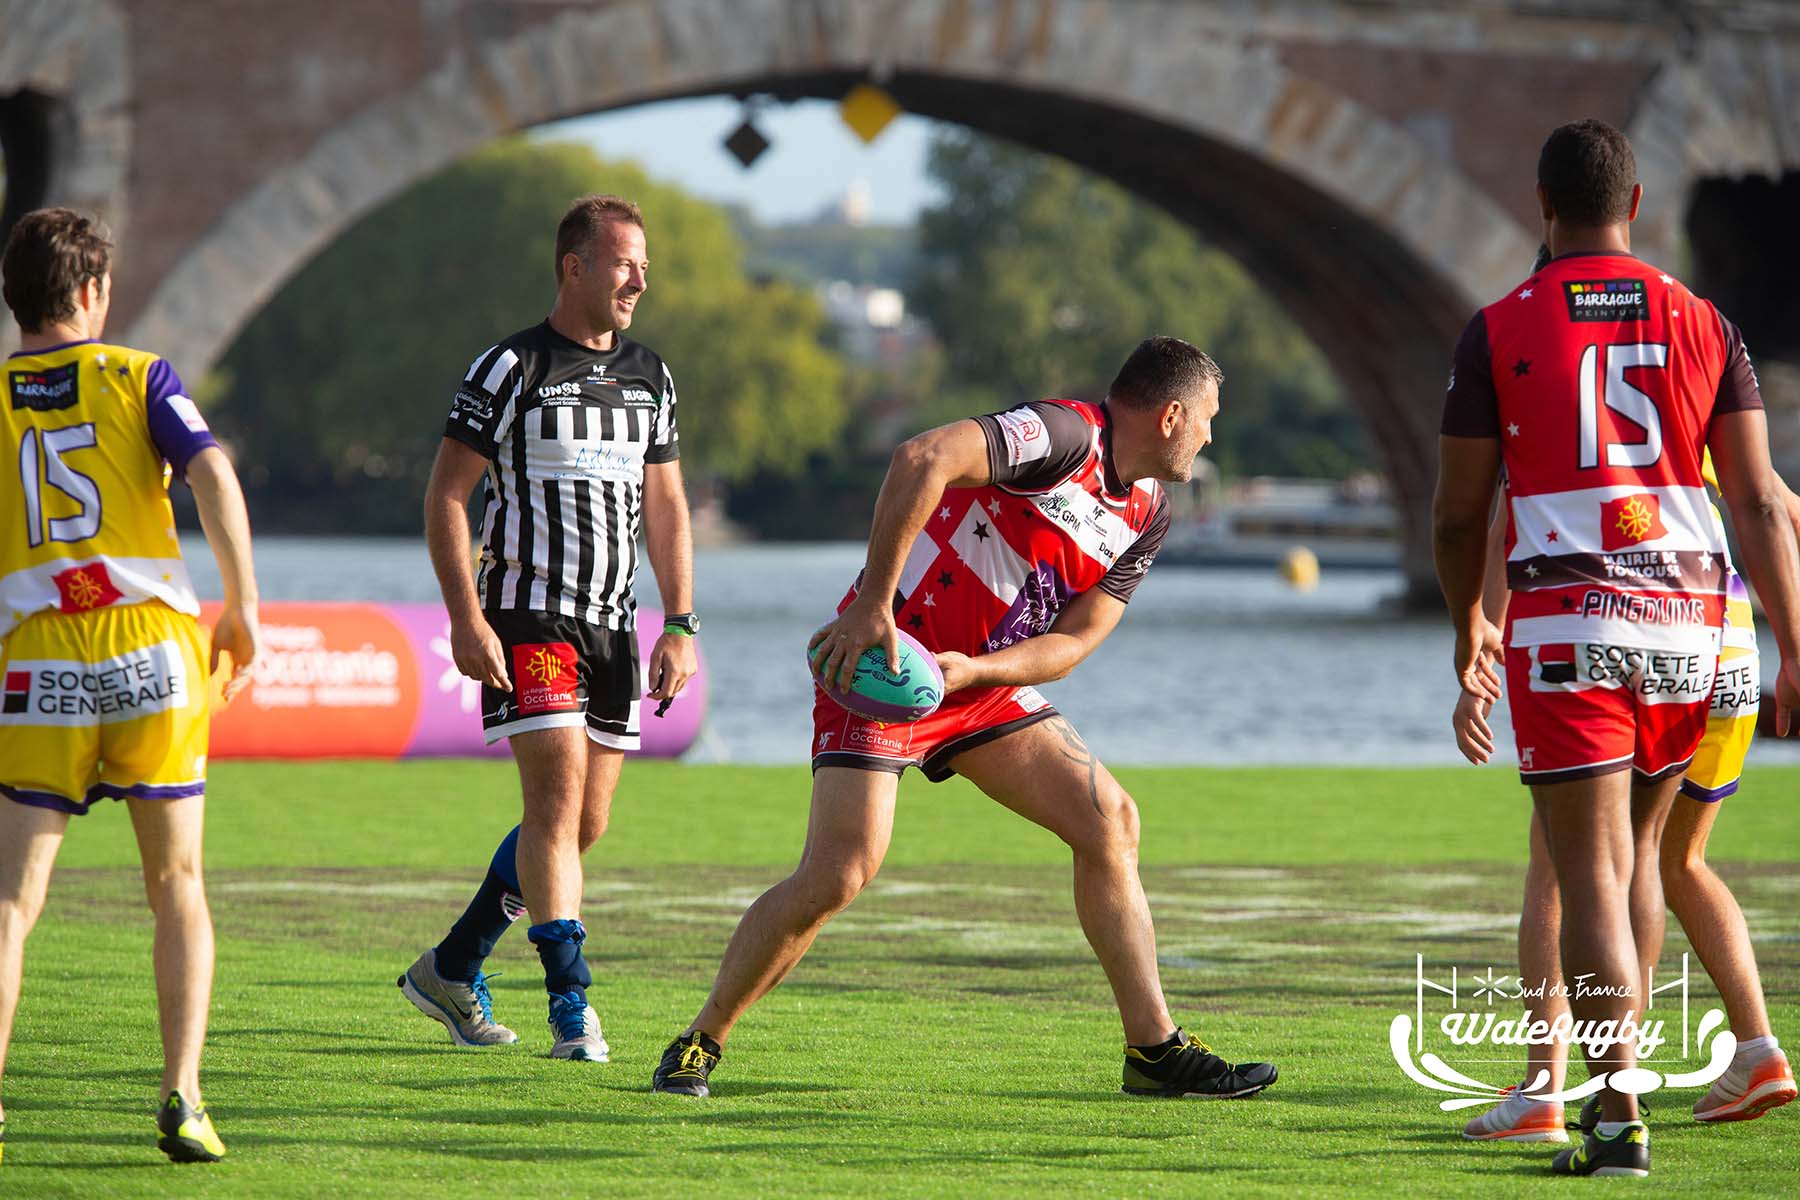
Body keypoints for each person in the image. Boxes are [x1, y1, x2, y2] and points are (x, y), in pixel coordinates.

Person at [650, 336, 1279, 1101]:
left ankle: (1152, 1050)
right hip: (880, 668)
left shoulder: (1148, 514)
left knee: (1109, 819)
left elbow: (1074, 641)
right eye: (1209, 418)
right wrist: (874, 608)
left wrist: (976, 672)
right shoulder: (1062, 434)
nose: (1213, 435)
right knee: (839, 874)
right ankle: (700, 1040)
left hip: (974, 685)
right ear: (1173, 414)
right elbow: (921, 458)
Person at [1434, 120, 1800, 1177]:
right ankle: (1618, 1086)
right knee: (1642, 858)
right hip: (1692, 622)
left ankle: (1606, 1110)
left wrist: (1468, 616)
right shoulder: (1707, 323)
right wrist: (1791, 641)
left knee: (1587, 874)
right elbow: (1764, 500)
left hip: (1569, 624)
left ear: (1542, 204)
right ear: (1636, 205)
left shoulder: (1499, 325)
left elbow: (1461, 515)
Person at [399, 194, 697, 1062]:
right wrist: (465, 616)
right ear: (575, 267)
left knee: (580, 826)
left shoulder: (652, 375)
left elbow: (668, 504)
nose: (640, 278)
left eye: (644, 264)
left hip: (617, 626)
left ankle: (451, 967)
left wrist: (679, 621)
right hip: (530, 618)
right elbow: (448, 496)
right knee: (555, 807)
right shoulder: (510, 368)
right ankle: (574, 1009)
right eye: (624, 263)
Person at [0, 208, 260, 1163]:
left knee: (10, 902)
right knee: (177, 884)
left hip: (36, 653)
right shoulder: (136, 373)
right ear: (91, 292)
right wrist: (243, 605)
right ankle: (183, 1097)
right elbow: (212, 474)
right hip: (150, 646)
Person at [1454, 461, 1800, 1142]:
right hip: (1727, 644)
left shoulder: (1552, 396)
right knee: (1676, 861)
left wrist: (1479, 652)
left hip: (1621, 634)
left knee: (1560, 868)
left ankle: (1547, 1089)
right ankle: (1757, 1052)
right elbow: (1775, 504)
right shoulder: (1689, 395)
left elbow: (1498, 525)